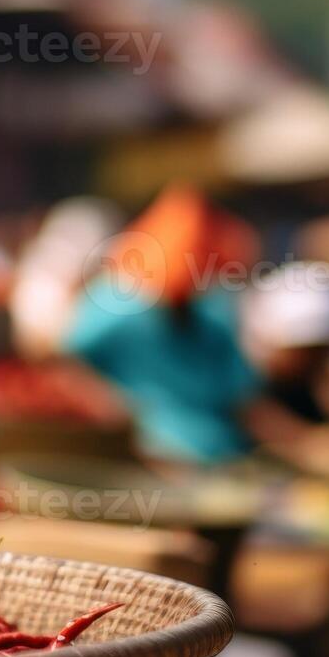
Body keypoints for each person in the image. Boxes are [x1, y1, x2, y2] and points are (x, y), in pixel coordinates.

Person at [62, 184, 263, 466]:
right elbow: (61, 363)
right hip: (145, 459)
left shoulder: (214, 314)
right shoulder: (117, 305)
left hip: (224, 460)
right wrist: (116, 413)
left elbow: (243, 400)